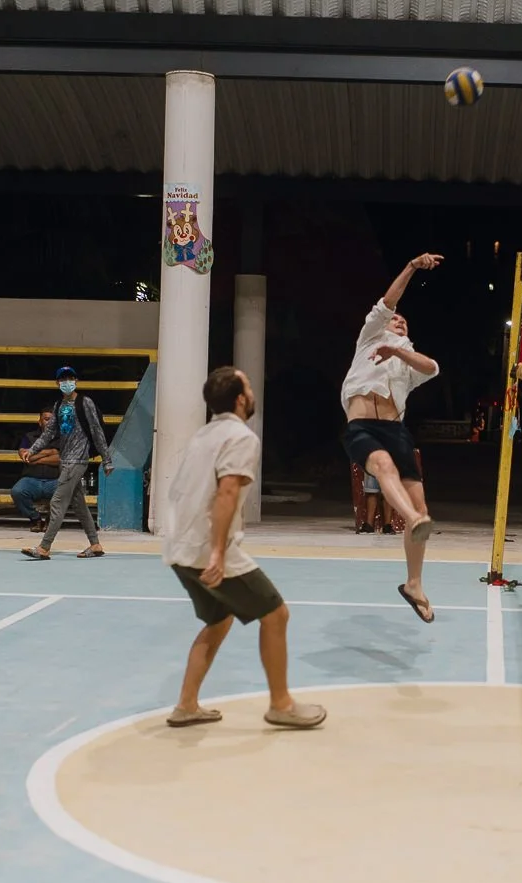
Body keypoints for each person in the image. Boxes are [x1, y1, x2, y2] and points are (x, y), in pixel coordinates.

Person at [162, 366, 326, 729]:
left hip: (179, 547)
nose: (252, 392)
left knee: (218, 621)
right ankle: (281, 705)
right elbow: (227, 492)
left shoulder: (203, 435)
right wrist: (218, 553)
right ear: (240, 399)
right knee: (276, 614)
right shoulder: (240, 436)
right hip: (208, 548)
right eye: (249, 387)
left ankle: (186, 705)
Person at [340, 252, 444, 623]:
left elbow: (431, 368)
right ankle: (410, 519)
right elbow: (388, 301)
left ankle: (414, 584)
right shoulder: (370, 335)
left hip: (396, 430)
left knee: (423, 506)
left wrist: (398, 350)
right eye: (394, 320)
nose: (397, 321)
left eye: (403, 322)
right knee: (382, 467)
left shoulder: (408, 358)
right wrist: (412, 267)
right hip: (362, 425)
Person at [20, 366, 114, 560]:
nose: (66, 382)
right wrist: (33, 449)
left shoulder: (85, 402)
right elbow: (48, 433)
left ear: (76, 380)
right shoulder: (58, 406)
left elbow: (97, 431)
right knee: (79, 505)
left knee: (57, 501)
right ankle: (95, 544)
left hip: (78, 460)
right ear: (57, 383)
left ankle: (44, 547)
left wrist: (107, 459)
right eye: (62, 379)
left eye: (70, 378)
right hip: (66, 460)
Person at [9, 407, 61, 533]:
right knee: (17, 491)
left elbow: (60, 459)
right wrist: (52, 452)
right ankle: (35, 518)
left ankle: (51, 520)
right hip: (32, 479)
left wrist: (35, 456)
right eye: (46, 419)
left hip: (55, 480)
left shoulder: (63, 437)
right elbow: (25, 456)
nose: (49, 422)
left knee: (68, 491)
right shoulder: (29, 437)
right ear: (40, 421)